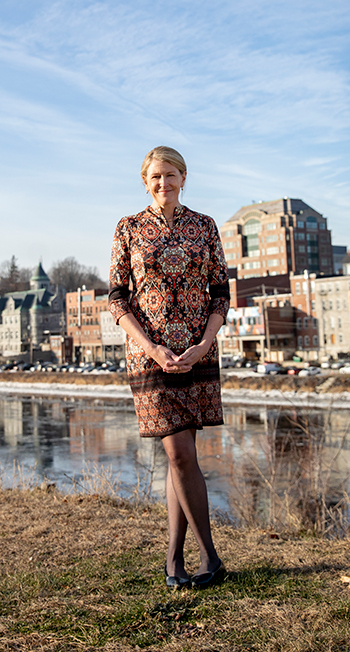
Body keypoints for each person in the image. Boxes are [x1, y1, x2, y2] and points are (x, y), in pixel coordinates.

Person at [109, 146, 230, 589]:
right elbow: (117, 298)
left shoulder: (204, 226)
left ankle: (174, 561)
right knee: (179, 454)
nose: (164, 183)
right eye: (156, 176)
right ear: (146, 181)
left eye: (171, 174)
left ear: (184, 177)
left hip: (197, 354)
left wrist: (204, 343)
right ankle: (211, 559)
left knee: (182, 457)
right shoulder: (129, 228)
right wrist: (152, 347)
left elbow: (220, 293)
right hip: (151, 356)